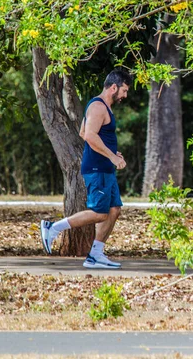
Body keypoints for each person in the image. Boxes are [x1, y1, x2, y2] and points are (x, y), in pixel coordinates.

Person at [40, 69, 133, 269]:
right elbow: (90, 135)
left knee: (114, 210)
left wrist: (113, 155)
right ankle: (53, 228)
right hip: (97, 169)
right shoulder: (99, 107)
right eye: (124, 90)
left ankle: (95, 255)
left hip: (105, 168)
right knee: (100, 213)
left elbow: (83, 132)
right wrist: (111, 156)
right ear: (114, 87)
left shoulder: (100, 106)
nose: (125, 95)